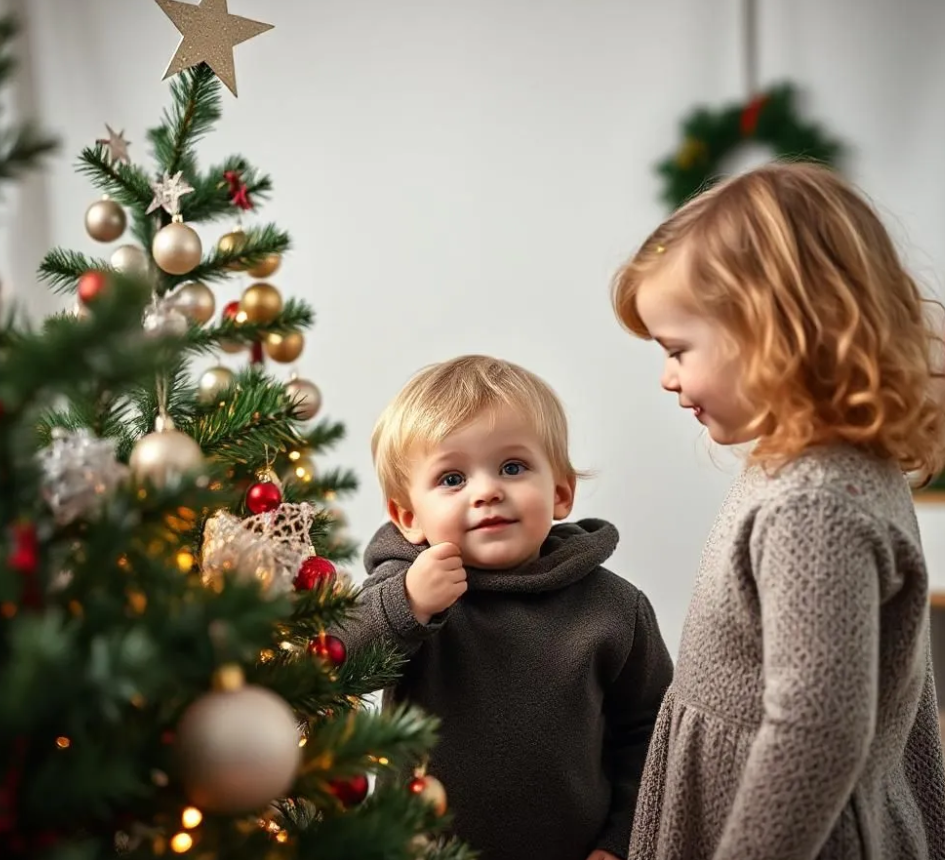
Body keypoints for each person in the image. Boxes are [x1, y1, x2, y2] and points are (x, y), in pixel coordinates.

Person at [612, 161, 945, 859]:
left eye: (677, 349)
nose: (667, 378)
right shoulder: (832, 461)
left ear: (773, 330)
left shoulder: (813, 508)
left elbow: (816, 732)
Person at [337, 354, 673, 860]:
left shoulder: (614, 608)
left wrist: (621, 842)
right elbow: (334, 662)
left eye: (512, 468)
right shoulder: (406, 592)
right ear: (408, 515)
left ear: (560, 492)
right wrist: (407, 603)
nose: (488, 491)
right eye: (452, 479)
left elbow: (652, 737)